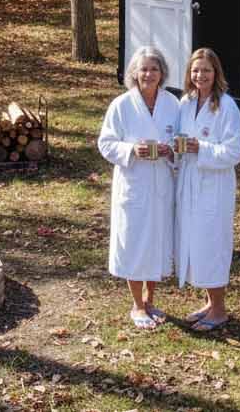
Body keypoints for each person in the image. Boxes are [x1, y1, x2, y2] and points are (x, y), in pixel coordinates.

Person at [98, 45, 180, 330]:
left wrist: (172, 152)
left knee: (158, 240)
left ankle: (151, 298)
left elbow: (181, 140)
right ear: (134, 72)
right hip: (134, 183)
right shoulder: (121, 105)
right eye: (143, 69)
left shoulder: (173, 104)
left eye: (154, 69)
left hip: (162, 183)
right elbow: (105, 143)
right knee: (135, 241)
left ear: (162, 73)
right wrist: (132, 150)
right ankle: (136, 304)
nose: (149, 74)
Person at [175, 47, 240, 332]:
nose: (200, 75)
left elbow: (235, 151)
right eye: (195, 70)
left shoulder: (226, 106)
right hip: (189, 181)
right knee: (194, 243)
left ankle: (219, 310)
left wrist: (199, 148)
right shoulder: (185, 102)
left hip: (214, 186)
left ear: (216, 73)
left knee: (211, 244)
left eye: (205, 70)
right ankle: (209, 302)